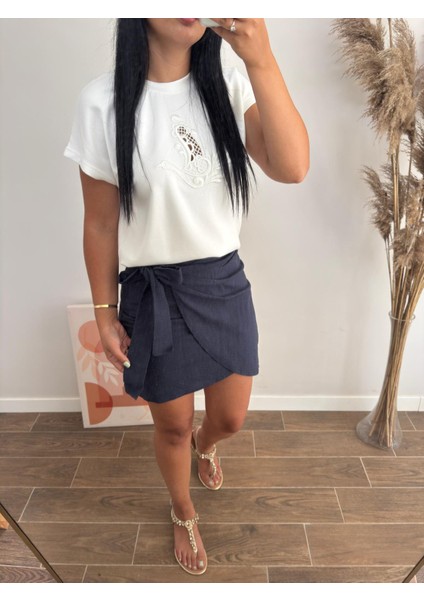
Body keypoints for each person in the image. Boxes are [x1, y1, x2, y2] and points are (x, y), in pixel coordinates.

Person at [64, 18, 309, 576]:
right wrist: (104, 312)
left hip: (222, 282)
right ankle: (182, 510)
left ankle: (207, 444)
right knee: (171, 426)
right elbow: (99, 223)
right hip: (154, 293)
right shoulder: (101, 103)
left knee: (231, 418)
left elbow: (293, 167)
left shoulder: (229, 83)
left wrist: (261, 58)